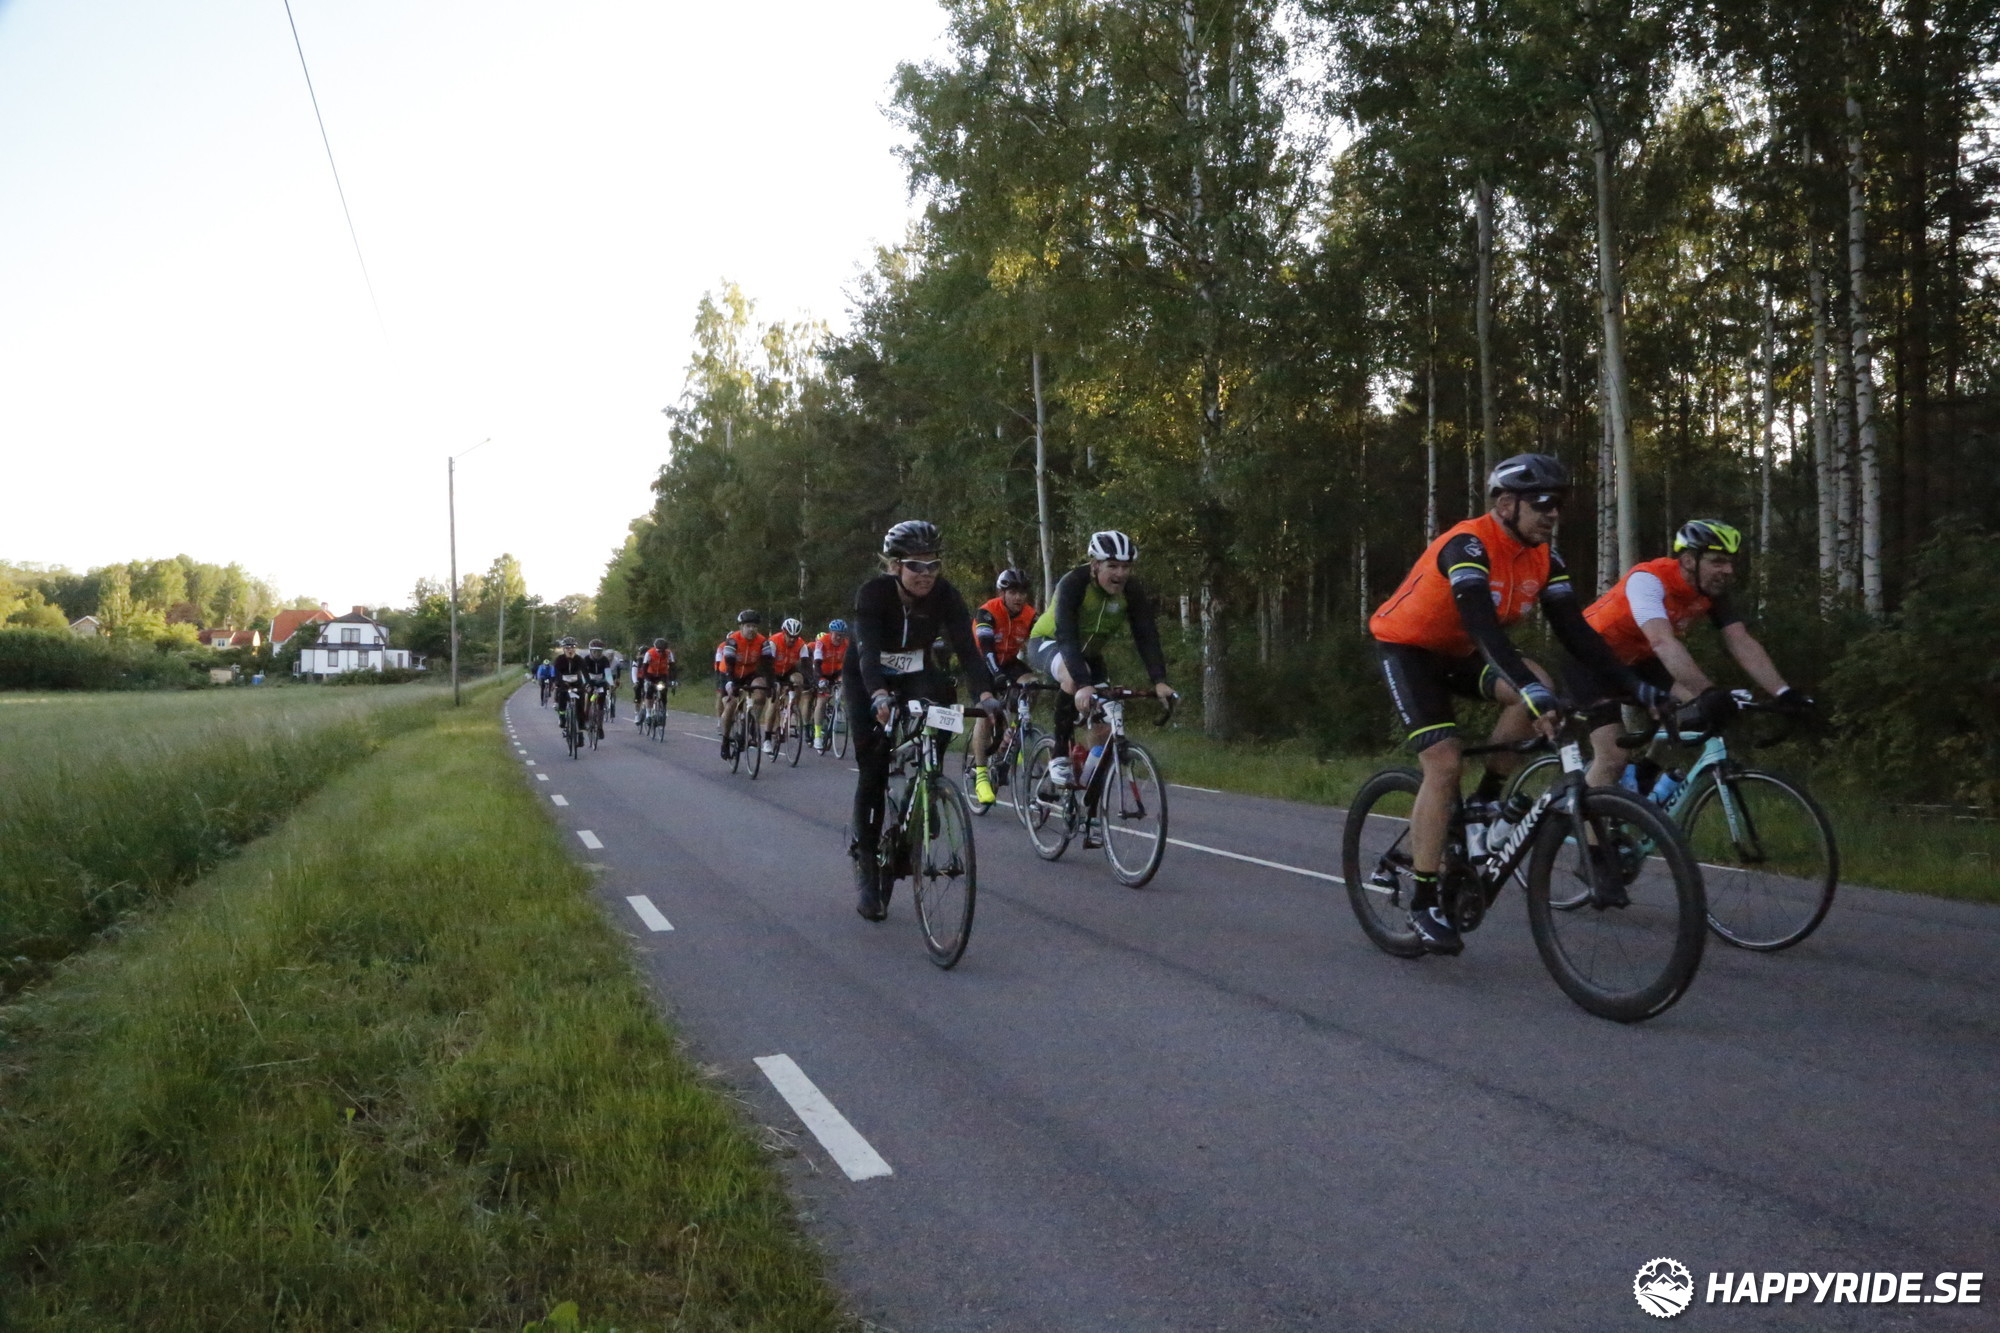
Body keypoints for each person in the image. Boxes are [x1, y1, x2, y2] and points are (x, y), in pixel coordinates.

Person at [1368, 453, 1666, 956]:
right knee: (1444, 762)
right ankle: (1423, 902)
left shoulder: (1545, 559)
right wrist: (1528, 688)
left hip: (1459, 654)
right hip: (1409, 651)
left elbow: (1578, 635)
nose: (1553, 514)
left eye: (1559, 504)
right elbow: (1484, 628)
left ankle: (1486, 797)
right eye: (1543, 503)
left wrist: (1636, 687)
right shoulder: (1468, 545)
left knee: (1540, 682)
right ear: (1506, 504)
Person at [1572, 519, 1810, 788]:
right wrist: (1708, 692)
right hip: (1590, 659)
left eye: (1731, 562)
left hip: (1638, 660)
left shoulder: (1709, 591)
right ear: (1687, 560)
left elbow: (1740, 641)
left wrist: (1783, 692)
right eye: (1718, 561)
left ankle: (1646, 773)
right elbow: (1662, 642)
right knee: (1613, 759)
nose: (1728, 570)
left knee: (1693, 710)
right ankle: (1576, 813)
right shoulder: (1648, 580)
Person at [845, 521, 1000, 921]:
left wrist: (984, 695)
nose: (926, 574)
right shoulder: (873, 594)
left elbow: (967, 649)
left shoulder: (945, 595)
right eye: (916, 565)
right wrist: (877, 695)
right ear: (894, 566)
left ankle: (926, 784)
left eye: (933, 565)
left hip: (914, 670)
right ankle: (867, 867)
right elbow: (866, 653)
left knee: (945, 702)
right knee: (873, 767)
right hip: (867, 676)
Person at [1023, 532, 1176, 794]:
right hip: (1050, 642)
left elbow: (1146, 635)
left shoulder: (1131, 590)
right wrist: (1083, 684)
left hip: (1089, 654)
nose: (1120, 574)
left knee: (1107, 719)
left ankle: (1088, 791)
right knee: (1073, 678)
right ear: (1095, 565)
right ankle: (1059, 754)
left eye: (1126, 567)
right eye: (1112, 566)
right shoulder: (1074, 583)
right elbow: (1067, 635)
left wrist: (1159, 680)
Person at [968, 568, 1037, 805]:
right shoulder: (987, 612)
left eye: (1022, 592)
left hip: (1007, 662)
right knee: (986, 712)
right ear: (1002, 593)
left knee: (1032, 685)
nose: (1019, 597)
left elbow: (1042, 642)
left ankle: (1013, 734)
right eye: (1013, 592)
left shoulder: (1029, 615)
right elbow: (986, 647)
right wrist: (996, 675)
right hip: (980, 663)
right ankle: (981, 774)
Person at [718, 611, 773, 756]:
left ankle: (751, 724)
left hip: (749, 673)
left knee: (761, 692)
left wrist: (771, 684)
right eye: (748, 626)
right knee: (731, 705)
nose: (751, 629)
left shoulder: (762, 641)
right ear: (741, 627)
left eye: (754, 626)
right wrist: (731, 683)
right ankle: (725, 740)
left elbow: (768, 665)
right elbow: (729, 663)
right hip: (729, 673)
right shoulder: (732, 640)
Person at [766, 617, 812, 755]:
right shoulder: (774, 642)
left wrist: (811, 681)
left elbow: (806, 666)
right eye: (789, 636)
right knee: (773, 701)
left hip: (788, 671)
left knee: (798, 679)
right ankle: (767, 738)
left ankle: (792, 708)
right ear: (784, 632)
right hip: (773, 671)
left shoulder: (801, 645)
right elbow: (767, 665)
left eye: (795, 637)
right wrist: (772, 682)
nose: (792, 639)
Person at [810, 619, 849, 751]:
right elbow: (817, 663)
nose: (839, 638)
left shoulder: (846, 644)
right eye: (836, 634)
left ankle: (840, 706)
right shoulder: (822, 642)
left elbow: (849, 664)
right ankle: (817, 735)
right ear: (830, 633)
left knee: (845, 683)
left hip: (837, 672)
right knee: (822, 701)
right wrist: (820, 679)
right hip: (822, 672)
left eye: (841, 635)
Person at [579, 639, 616, 737]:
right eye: (595, 651)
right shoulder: (586, 660)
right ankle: (585, 716)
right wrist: (586, 684)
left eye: (599, 651)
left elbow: (608, 674)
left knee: (600, 703)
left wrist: (611, 684)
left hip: (600, 682)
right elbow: (583, 674)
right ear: (590, 651)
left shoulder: (604, 660)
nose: (597, 654)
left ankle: (600, 727)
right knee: (587, 695)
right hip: (588, 680)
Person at [549, 639, 588, 729]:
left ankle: (581, 724)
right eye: (567, 648)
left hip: (577, 683)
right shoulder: (559, 659)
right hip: (563, 683)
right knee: (562, 697)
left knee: (580, 703)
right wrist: (560, 683)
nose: (570, 650)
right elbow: (557, 674)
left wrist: (587, 683)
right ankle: (562, 717)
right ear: (563, 649)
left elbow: (585, 673)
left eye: (573, 648)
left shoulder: (579, 659)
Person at [638, 637, 678, 725]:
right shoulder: (649, 653)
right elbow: (644, 668)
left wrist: (673, 680)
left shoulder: (668, 653)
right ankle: (648, 714)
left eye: (662, 651)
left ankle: (663, 709)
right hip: (650, 675)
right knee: (649, 692)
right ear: (655, 648)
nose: (660, 653)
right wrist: (647, 679)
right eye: (659, 651)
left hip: (662, 675)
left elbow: (673, 668)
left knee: (663, 691)